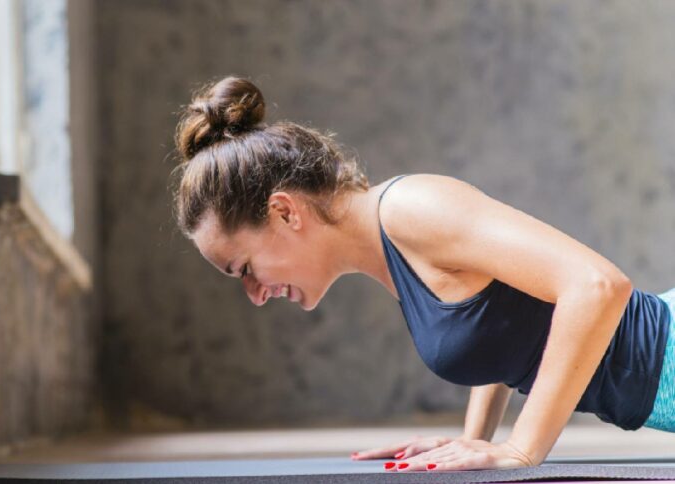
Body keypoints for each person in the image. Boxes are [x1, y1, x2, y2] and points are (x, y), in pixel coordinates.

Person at [169, 75, 674, 473]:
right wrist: (476, 440)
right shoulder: (391, 251)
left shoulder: (411, 209)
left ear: (284, 213)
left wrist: (522, 450)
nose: (255, 294)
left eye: (245, 269)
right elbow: (510, 317)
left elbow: (596, 286)